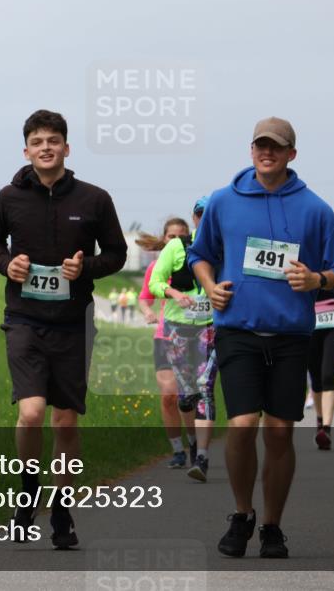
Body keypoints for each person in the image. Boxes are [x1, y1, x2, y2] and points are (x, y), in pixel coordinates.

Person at [188, 117, 334, 559]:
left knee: (280, 433)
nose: (268, 153)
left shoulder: (315, 209)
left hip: (289, 336)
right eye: (261, 146)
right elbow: (200, 256)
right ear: (251, 151)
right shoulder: (224, 201)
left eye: (277, 147)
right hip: (237, 330)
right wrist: (209, 285)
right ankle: (242, 514)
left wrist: (317, 278)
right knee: (243, 425)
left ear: (291, 155)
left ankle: (272, 526)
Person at [0, 109, 127, 549]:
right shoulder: (9, 198)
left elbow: (117, 254)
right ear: (26, 150)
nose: (46, 147)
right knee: (30, 413)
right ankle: (27, 494)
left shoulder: (94, 199)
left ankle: (61, 509)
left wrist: (86, 268)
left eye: (54, 140)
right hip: (24, 319)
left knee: (65, 423)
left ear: (66, 148)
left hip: (74, 324)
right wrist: (9, 265)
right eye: (38, 141)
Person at [148, 197, 217, 482]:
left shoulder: (226, 245)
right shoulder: (176, 247)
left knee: (205, 387)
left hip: (211, 327)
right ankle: (187, 400)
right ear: (195, 218)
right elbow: (155, 282)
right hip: (176, 328)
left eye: (210, 214)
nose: (205, 219)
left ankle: (201, 456)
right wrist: (176, 294)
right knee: (186, 394)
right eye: (200, 215)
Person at [136, 218, 197, 468]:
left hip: (192, 336)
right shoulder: (156, 268)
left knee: (187, 396)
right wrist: (148, 312)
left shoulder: (194, 265)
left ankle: (194, 443)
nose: (175, 240)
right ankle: (177, 450)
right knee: (168, 396)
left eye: (181, 236)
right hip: (164, 336)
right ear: (164, 239)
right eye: (171, 236)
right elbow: (144, 298)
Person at [308, 283, 334, 450]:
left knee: (327, 375)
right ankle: (320, 420)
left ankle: (326, 430)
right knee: (316, 379)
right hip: (308, 322)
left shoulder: (332, 257)